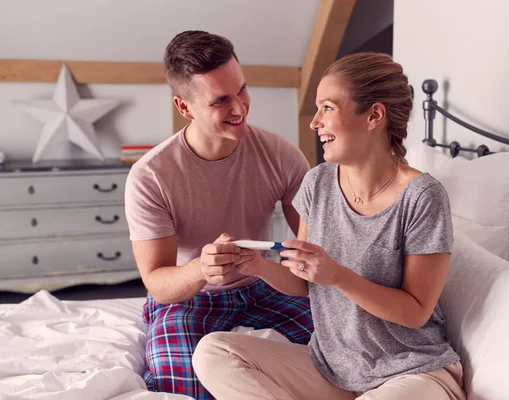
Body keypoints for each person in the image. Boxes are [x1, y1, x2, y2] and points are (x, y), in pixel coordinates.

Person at [193, 52, 466, 400]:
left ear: (374, 116)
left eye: (327, 108)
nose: (314, 122)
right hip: (330, 370)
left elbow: (415, 312)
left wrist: (337, 275)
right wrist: (256, 266)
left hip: (411, 372)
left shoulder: (422, 197)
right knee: (213, 352)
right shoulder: (317, 183)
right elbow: (304, 282)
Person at [124, 30, 313, 399]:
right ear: (185, 107)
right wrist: (200, 269)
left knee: (338, 355)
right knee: (186, 386)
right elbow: (157, 282)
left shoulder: (282, 156)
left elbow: (312, 246)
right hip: (187, 299)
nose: (240, 107)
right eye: (221, 100)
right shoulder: (151, 176)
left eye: (242, 90)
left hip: (264, 287)